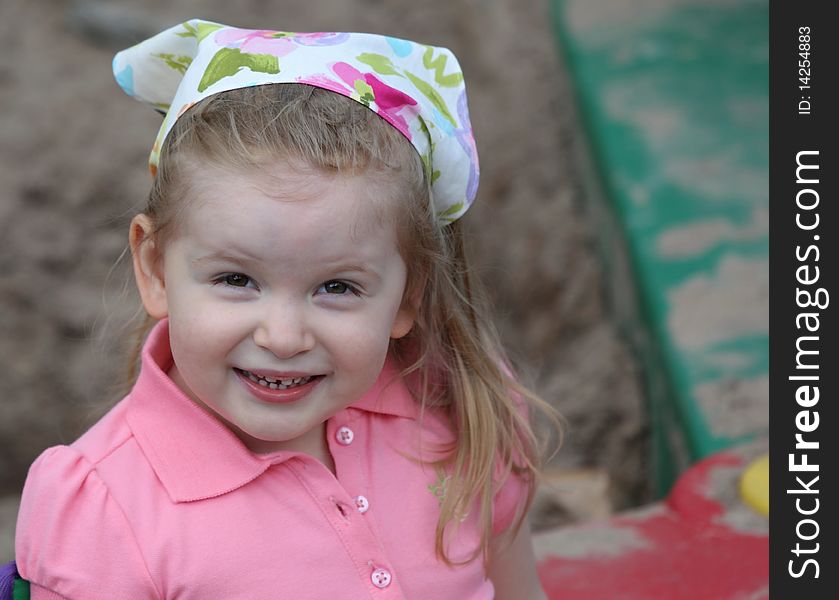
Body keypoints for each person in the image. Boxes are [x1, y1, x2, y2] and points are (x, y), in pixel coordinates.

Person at [14, 18, 557, 600]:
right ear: (154, 268)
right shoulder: (106, 508)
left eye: (338, 288)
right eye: (236, 278)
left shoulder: (458, 409)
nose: (284, 336)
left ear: (410, 293)